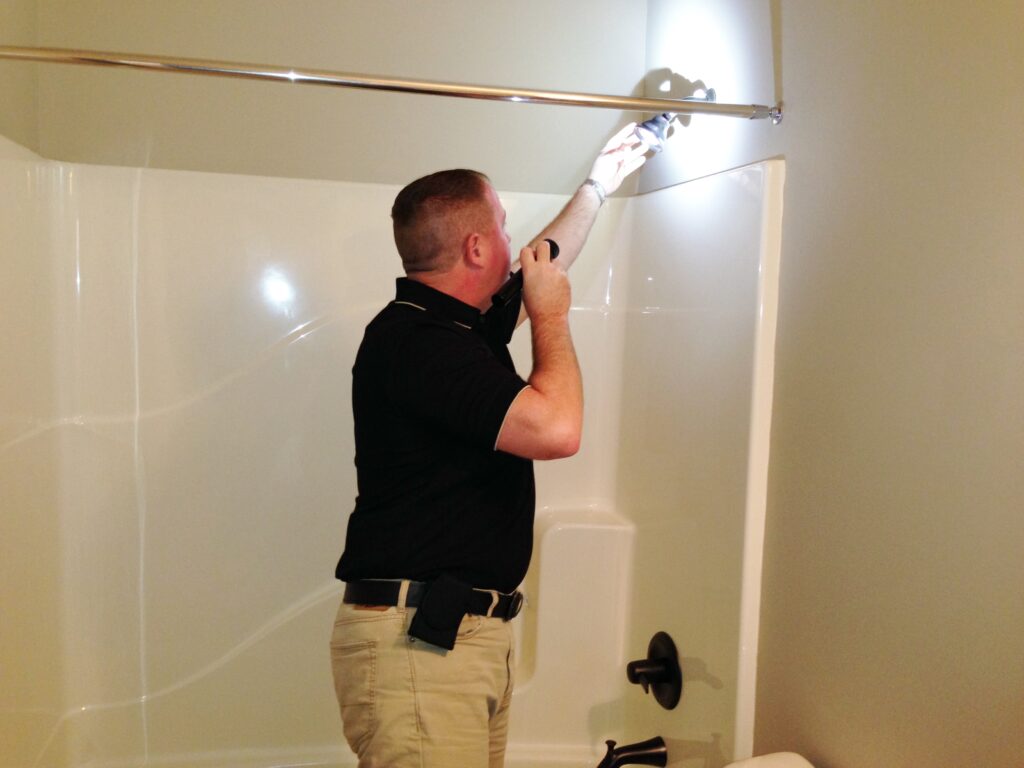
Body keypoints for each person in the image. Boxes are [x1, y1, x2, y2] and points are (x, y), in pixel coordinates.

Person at [330, 123, 647, 768]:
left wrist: (600, 182)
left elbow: (544, 257)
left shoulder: (452, 327)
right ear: (477, 248)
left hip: (451, 638)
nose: (514, 239)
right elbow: (558, 431)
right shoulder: (420, 345)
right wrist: (554, 316)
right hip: (420, 651)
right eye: (502, 225)